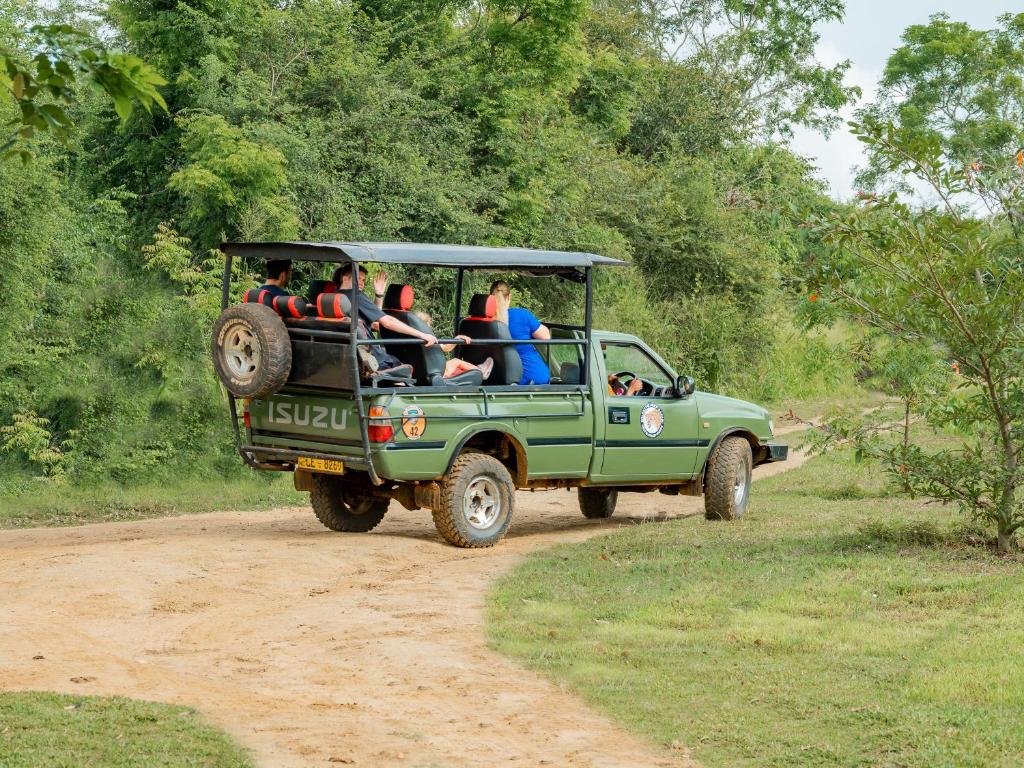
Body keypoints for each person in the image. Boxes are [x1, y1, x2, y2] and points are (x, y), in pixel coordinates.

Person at [332, 265, 437, 371]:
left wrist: (379, 295)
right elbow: (388, 322)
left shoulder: (334, 299)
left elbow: (375, 318)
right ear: (345, 279)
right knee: (403, 368)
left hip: (343, 358)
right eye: (358, 279)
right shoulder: (356, 296)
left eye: (363, 280)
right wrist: (422, 334)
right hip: (371, 360)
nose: (362, 283)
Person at [489, 280, 551, 385]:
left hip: (497, 376)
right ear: (509, 297)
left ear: (490, 297)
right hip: (531, 378)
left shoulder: (483, 321)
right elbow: (546, 336)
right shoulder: (522, 315)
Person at [414, 311, 494, 381]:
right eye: (428, 326)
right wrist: (457, 340)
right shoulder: (428, 339)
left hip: (420, 371)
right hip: (434, 372)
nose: (430, 328)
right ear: (423, 326)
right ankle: (480, 371)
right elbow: (446, 348)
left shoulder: (413, 338)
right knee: (456, 361)